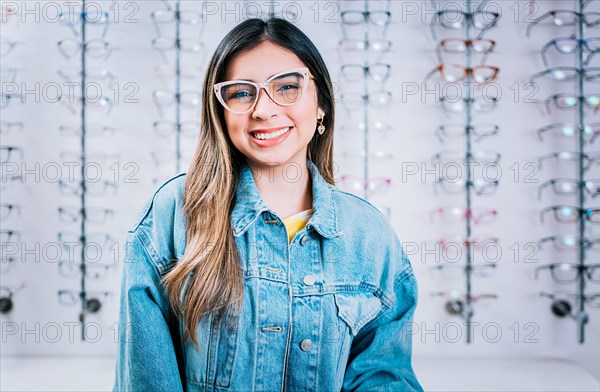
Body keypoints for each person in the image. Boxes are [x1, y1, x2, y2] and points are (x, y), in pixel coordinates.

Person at [114, 17, 422, 392]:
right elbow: (146, 378)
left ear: (321, 104)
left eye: (287, 87)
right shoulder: (173, 215)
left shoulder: (370, 236)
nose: (263, 109)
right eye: (242, 93)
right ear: (221, 112)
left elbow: (382, 379)